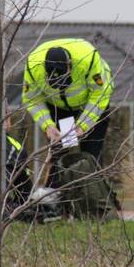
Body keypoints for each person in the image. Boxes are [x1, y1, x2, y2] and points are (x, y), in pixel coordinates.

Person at [22, 37, 113, 177]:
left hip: (90, 105)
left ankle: (94, 191)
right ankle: (55, 193)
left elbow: (99, 95)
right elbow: (32, 99)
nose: (60, 85)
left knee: (91, 154)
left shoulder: (87, 59)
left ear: (70, 65)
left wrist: (83, 125)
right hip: (60, 108)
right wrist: (48, 126)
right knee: (59, 152)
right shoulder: (33, 66)